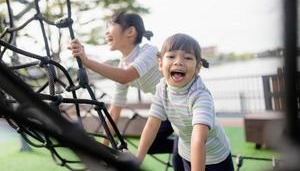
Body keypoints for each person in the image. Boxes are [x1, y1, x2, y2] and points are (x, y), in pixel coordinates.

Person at [68, 11, 183, 170]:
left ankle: (185, 145)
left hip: (183, 106)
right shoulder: (122, 66)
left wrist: (86, 61)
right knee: (151, 145)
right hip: (166, 111)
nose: (106, 31)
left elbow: (125, 76)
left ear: (130, 31)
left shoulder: (149, 51)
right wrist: (103, 148)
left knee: (180, 162)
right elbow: (114, 112)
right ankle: (182, 144)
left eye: (111, 26)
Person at [136, 33, 234, 171]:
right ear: (160, 64)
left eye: (187, 58)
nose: (178, 62)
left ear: (198, 68)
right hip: (186, 152)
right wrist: (136, 161)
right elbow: (152, 124)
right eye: (171, 56)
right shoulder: (162, 88)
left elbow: (199, 139)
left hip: (216, 158)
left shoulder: (200, 96)